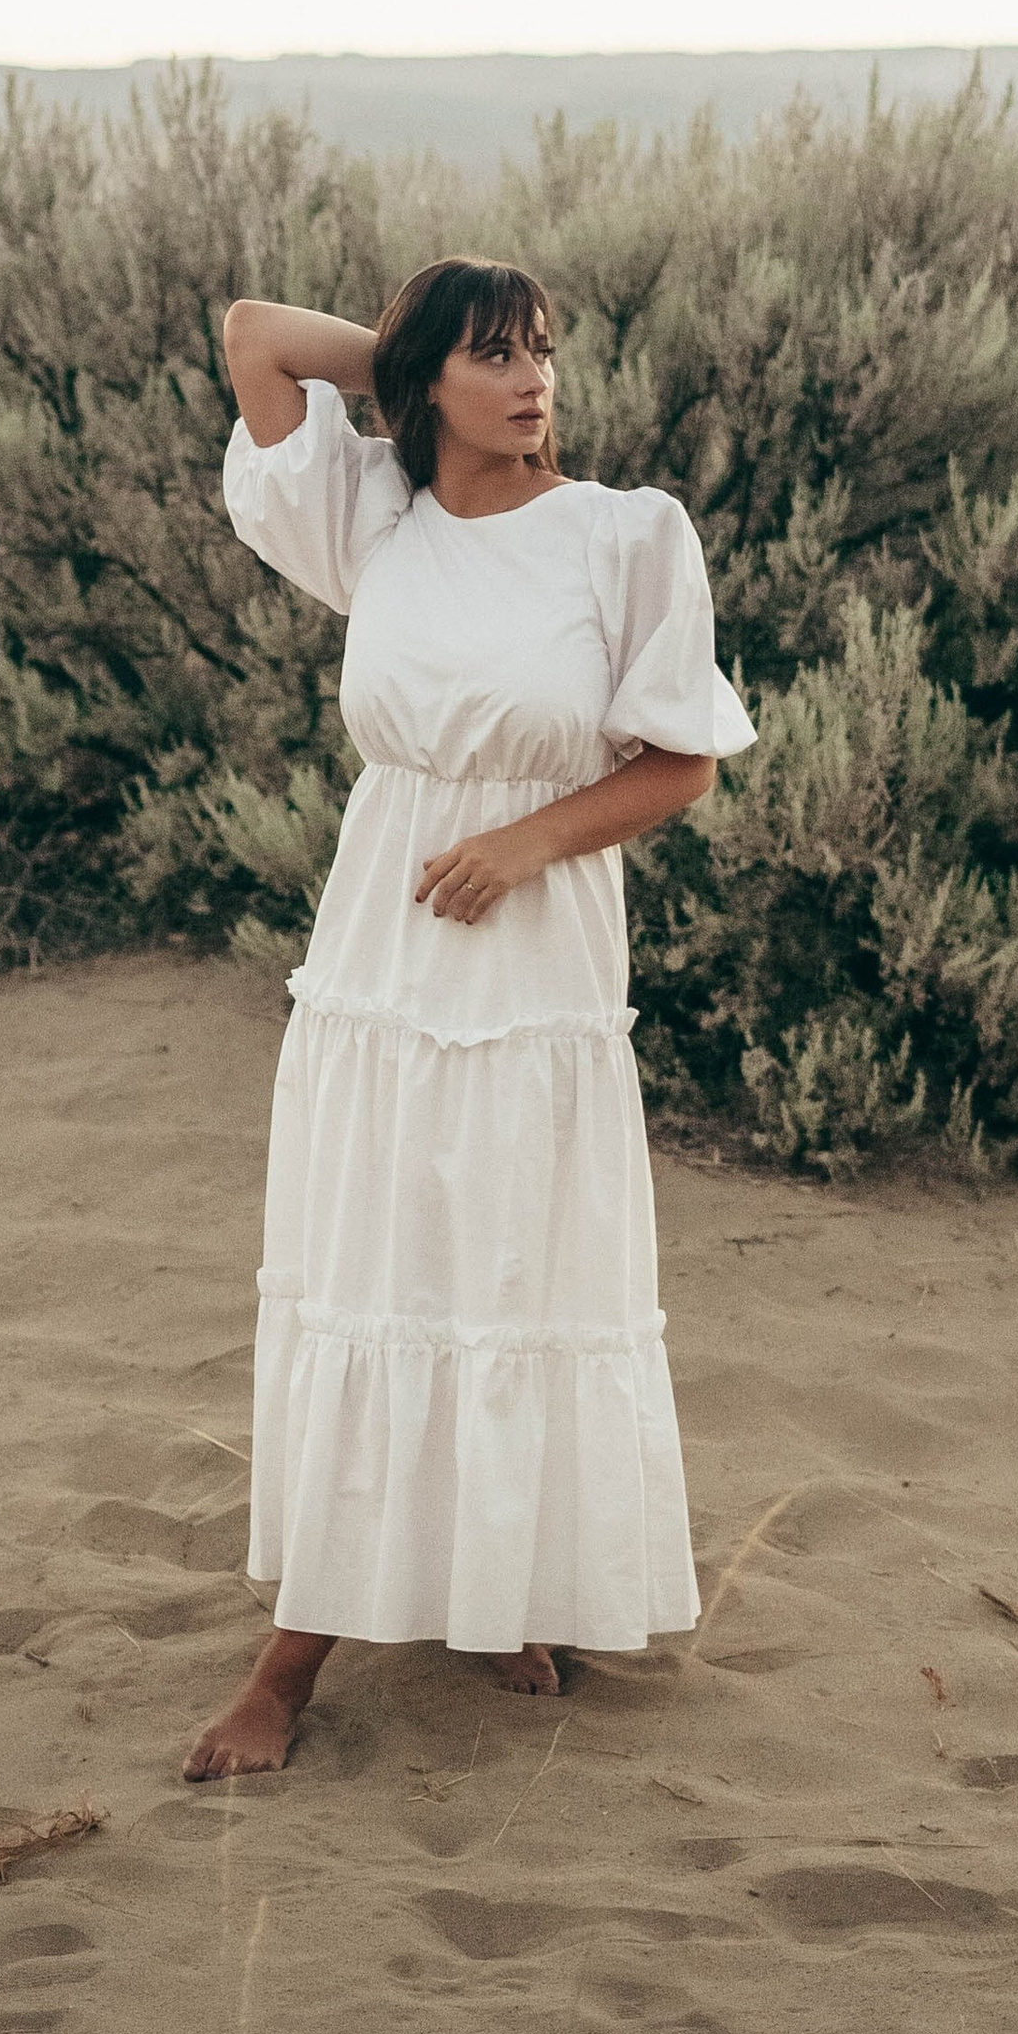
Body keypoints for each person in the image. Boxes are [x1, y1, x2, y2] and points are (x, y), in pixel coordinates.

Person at [182, 257, 756, 1782]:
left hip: (533, 953)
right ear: (425, 379)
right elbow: (252, 337)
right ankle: (293, 1663)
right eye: (492, 356)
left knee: (508, 1253)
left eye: (543, 351)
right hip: (382, 949)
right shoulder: (376, 518)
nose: (531, 379)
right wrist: (411, 349)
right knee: (380, 1255)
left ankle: (491, 1588)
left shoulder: (625, 537)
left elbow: (681, 762)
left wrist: (523, 843)